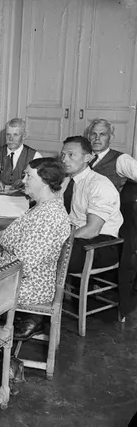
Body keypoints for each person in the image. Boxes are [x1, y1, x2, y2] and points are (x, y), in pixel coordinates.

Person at [0, 158, 71, 340]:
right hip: (27, 279)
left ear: (45, 181)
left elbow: (24, 266)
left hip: (29, 287)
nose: (23, 180)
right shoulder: (43, 207)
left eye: (29, 176)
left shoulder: (48, 216)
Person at [87, 118, 137, 318]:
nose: (97, 138)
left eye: (103, 134)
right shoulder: (85, 157)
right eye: (93, 134)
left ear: (111, 137)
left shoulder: (121, 160)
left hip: (106, 221)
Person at [61, 136, 123, 273]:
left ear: (87, 157)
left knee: (48, 254)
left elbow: (92, 230)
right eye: (63, 155)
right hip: (76, 238)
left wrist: (60, 241)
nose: (64, 160)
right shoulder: (66, 182)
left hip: (101, 244)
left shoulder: (99, 184)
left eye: (71, 155)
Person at [0, 118, 42, 191]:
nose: (11, 139)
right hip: (1, 193)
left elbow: (39, 179)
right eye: (8, 134)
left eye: (15, 135)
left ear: (23, 136)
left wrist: (25, 181)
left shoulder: (35, 155)